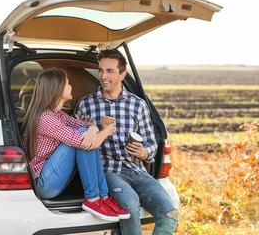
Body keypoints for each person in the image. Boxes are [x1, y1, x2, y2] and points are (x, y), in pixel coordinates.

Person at [75, 49, 179, 234]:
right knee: (130, 206)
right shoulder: (86, 104)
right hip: (108, 170)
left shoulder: (138, 105)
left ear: (122, 74)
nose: (103, 76)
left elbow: (151, 143)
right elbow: (79, 143)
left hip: (137, 170)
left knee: (170, 213)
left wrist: (144, 152)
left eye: (109, 71)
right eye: (100, 70)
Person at [22, 68, 130, 222]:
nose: (71, 86)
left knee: (83, 134)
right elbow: (83, 140)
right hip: (44, 184)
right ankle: (92, 199)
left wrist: (92, 128)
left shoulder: (57, 114)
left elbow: (86, 125)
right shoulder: (45, 118)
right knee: (82, 139)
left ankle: (103, 197)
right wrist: (104, 132)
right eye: (68, 83)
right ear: (58, 88)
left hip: (52, 176)